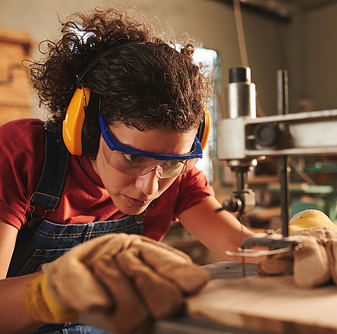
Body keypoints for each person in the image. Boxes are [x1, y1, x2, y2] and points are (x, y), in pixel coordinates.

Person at [0, 7, 256, 334]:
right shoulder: (24, 155)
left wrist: (295, 246)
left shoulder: (177, 173)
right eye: (132, 158)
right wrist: (50, 291)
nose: (150, 186)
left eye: (172, 163)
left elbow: (244, 250)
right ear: (87, 128)